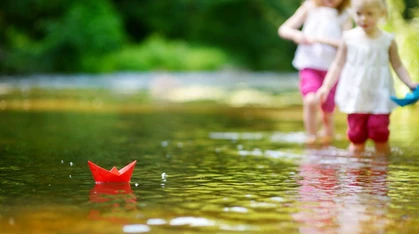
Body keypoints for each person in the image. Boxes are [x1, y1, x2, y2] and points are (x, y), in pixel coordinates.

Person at [317, 0, 418, 154]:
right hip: (356, 96)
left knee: (380, 132)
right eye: (359, 13)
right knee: (356, 135)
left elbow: (397, 65)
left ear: (381, 13)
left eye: (369, 14)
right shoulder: (348, 38)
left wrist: (409, 83)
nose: (363, 18)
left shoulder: (387, 40)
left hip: (380, 94)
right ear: (352, 12)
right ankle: (356, 173)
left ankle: (380, 171)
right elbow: (338, 64)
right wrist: (326, 86)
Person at [278, 0, 352, 145]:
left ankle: (327, 143)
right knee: (311, 100)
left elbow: (347, 42)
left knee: (327, 109)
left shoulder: (344, 14)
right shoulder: (309, 7)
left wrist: (323, 40)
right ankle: (311, 138)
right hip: (309, 65)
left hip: (332, 70)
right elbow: (284, 29)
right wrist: (296, 35)